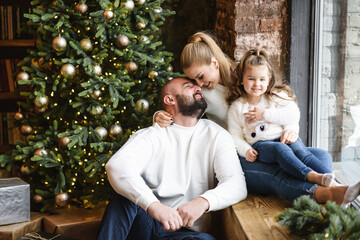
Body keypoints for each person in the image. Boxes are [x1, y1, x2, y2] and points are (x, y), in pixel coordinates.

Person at [154, 31, 360, 206]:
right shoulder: (203, 93)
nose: (197, 84)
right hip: (241, 154)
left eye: (200, 76)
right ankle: (326, 193)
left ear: (214, 63)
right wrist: (159, 115)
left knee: (319, 154)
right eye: (192, 80)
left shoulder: (247, 76)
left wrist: (291, 128)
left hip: (267, 142)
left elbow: (282, 101)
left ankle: (338, 187)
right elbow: (180, 107)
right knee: (277, 172)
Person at [97, 77, 247, 240]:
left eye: (197, 86)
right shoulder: (151, 135)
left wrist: (203, 201)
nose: (198, 88)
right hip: (146, 224)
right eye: (189, 86)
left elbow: (236, 184)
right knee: (124, 197)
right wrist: (154, 206)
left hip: (185, 234)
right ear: (169, 99)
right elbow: (117, 166)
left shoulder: (216, 135)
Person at [227, 49, 336, 187]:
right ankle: (311, 176)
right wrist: (246, 150)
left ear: (269, 80)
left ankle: (336, 186)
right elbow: (235, 136)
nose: (257, 84)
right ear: (242, 80)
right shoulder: (238, 107)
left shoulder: (275, 96)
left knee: (305, 153)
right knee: (280, 149)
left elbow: (293, 114)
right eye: (251, 79)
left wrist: (266, 116)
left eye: (262, 79)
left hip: (283, 139)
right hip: (261, 146)